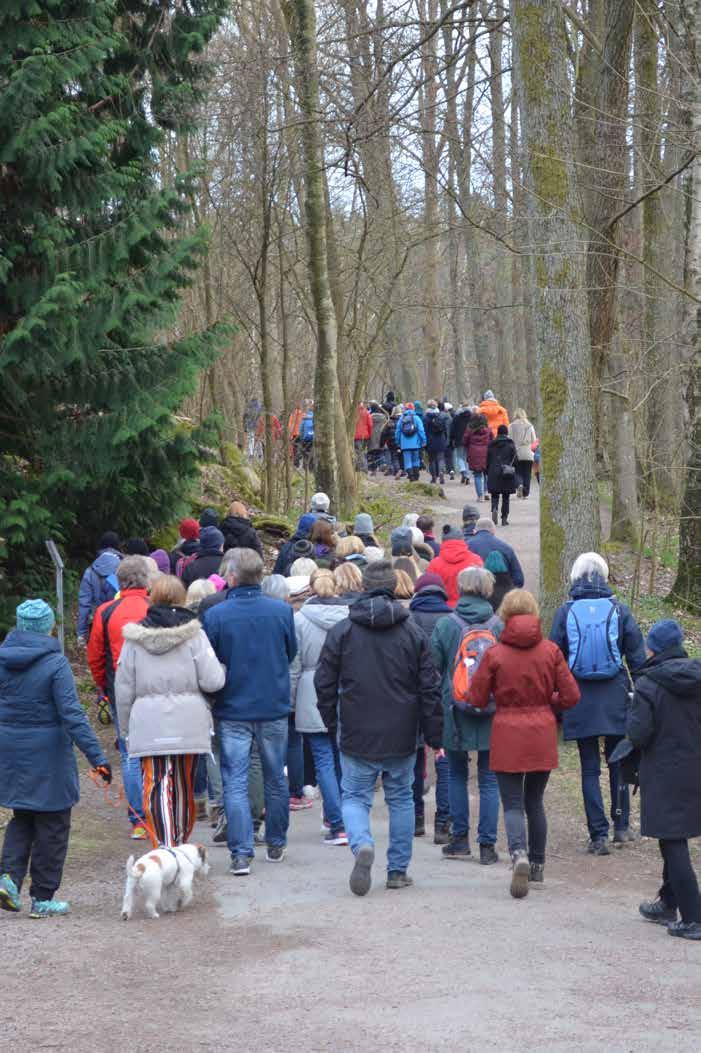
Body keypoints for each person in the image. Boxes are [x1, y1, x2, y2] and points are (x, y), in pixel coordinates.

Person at [315, 561, 443, 895]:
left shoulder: (343, 631)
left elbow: (324, 682)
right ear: (395, 586)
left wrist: (332, 723)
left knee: (355, 797)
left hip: (356, 730)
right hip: (402, 732)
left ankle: (362, 845)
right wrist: (433, 734)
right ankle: (398, 870)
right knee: (401, 798)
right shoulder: (412, 632)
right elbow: (429, 687)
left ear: (363, 586)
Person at [0, 600, 111, 918]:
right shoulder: (55, 663)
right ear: (48, 626)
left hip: (10, 748)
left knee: (22, 816)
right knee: (54, 823)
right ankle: (42, 897)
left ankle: (8, 878)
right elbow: (72, 714)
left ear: (20, 626)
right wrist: (97, 757)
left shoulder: (3, 658)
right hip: (48, 753)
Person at [469, 590, 580, 896]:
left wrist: (499, 698)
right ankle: (538, 867)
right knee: (535, 802)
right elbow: (571, 696)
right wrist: (548, 701)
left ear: (504, 615)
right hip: (542, 733)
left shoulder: (495, 653)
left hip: (507, 732)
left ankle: (519, 853)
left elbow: (476, 697)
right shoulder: (551, 651)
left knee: (513, 803)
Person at [203, 548, 297, 875]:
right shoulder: (281, 612)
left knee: (235, 781)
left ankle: (241, 853)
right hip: (272, 703)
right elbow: (289, 652)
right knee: (275, 776)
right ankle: (275, 841)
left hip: (233, 707)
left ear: (231, 576)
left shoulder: (216, 616)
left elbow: (210, 664)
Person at [115, 576, 225, 847]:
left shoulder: (133, 639)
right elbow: (213, 681)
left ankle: (164, 845)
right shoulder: (195, 635)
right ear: (181, 599)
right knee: (184, 784)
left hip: (148, 724)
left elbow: (123, 688)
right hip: (188, 722)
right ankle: (178, 840)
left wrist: (127, 727)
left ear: (152, 599)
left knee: (155, 783)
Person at [550, 552, 646, 855]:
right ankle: (621, 827)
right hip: (615, 693)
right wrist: (642, 691)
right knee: (619, 763)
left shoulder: (565, 612)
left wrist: (556, 699)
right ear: (604, 576)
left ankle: (598, 835)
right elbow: (637, 656)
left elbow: (555, 658)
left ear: (575, 577)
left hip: (579, 696)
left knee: (589, 768)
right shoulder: (619, 609)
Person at [628, 620, 701, 940]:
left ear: (654, 648)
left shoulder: (648, 684)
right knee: (674, 836)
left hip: (664, 769)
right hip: (695, 766)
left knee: (673, 840)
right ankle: (669, 901)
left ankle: (694, 916)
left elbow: (638, 734)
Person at [431, 566, 501, 864]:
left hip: (455, 709)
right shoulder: (499, 626)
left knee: (457, 774)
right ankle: (487, 846)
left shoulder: (446, 625)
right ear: (488, 590)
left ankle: (460, 839)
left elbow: (434, 665)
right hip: (492, 709)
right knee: (489, 779)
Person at [87, 555, 152, 838]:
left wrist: (104, 687)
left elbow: (95, 656)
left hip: (120, 690)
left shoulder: (105, 611)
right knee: (156, 750)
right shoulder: (155, 608)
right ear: (146, 579)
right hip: (154, 688)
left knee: (129, 753)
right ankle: (159, 812)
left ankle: (138, 819)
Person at [290, 570, 350, 845]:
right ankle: (342, 817)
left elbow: (294, 665)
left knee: (323, 757)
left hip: (310, 688)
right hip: (344, 688)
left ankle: (336, 822)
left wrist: (290, 700)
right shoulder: (351, 618)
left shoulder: (300, 620)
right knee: (341, 758)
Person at [408, 572, 453, 844]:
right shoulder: (451, 621)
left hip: (413, 699)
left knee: (415, 759)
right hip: (444, 699)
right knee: (443, 759)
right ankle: (443, 823)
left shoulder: (409, 622)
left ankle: (416, 819)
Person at [76, 531, 122, 644]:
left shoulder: (90, 572)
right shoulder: (126, 569)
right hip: (121, 624)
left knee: (97, 659)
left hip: (97, 624)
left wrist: (81, 633)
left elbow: (84, 604)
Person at [426, 528, 483, 607]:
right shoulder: (476, 560)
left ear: (443, 541)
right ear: (462, 539)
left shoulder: (434, 564)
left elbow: (429, 591)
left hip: (443, 610)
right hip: (470, 608)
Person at [467, 516, 525, 587]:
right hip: (500, 591)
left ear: (475, 531)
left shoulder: (466, 546)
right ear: (493, 531)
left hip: (474, 591)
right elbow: (519, 580)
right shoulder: (506, 548)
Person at [487, 424, 518, 526]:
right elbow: (516, 460)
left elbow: (487, 460)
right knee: (506, 497)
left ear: (498, 432)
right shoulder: (511, 444)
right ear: (506, 433)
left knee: (495, 495)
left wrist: (487, 471)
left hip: (493, 472)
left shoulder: (491, 444)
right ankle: (504, 518)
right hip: (506, 473)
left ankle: (494, 508)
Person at [509, 409, 537, 499]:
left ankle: (519, 485)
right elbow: (534, 440)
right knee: (527, 474)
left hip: (516, 453)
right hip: (528, 453)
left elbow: (509, 440)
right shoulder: (530, 426)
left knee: (517, 472)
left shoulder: (511, 426)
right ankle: (525, 493)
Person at [395, 401, 426, 482]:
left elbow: (398, 431)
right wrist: (423, 440)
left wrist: (397, 441)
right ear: (413, 409)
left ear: (405, 409)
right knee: (416, 460)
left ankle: (411, 476)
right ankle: (416, 476)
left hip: (405, 444)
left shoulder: (402, 418)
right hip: (416, 444)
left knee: (407, 461)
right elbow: (421, 431)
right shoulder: (416, 418)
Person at [463, 413, 491, 500]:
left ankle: (480, 496)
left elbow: (464, 441)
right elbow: (492, 440)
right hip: (486, 453)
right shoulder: (488, 430)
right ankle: (486, 492)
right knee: (486, 474)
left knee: (477, 475)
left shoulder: (469, 430)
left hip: (474, 453)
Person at [424, 399, 450, 485]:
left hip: (430, 440)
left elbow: (425, 431)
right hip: (440, 440)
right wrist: (446, 439)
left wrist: (424, 442)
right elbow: (445, 429)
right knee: (440, 458)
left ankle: (434, 477)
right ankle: (441, 473)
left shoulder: (426, 417)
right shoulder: (441, 415)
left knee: (432, 460)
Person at [450, 404, 473, 484]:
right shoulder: (472, 417)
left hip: (459, 440)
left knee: (459, 457)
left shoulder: (456, 417)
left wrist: (452, 438)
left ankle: (463, 471)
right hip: (469, 440)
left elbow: (452, 429)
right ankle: (467, 475)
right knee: (467, 458)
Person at [380, 407, 403, 477]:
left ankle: (397, 470)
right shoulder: (403, 420)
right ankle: (401, 470)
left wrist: (382, 444)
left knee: (394, 457)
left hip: (391, 442)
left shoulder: (389, 422)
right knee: (401, 457)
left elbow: (383, 433)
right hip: (402, 442)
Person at [367, 403, 389, 475]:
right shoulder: (384, 417)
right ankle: (382, 464)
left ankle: (374, 469)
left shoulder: (370, 417)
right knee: (381, 452)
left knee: (373, 454)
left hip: (372, 437)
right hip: (382, 437)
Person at [354, 402, 373, 472]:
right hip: (365, 436)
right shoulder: (366, 412)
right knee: (362, 452)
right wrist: (369, 434)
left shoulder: (353, 413)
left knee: (358, 452)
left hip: (356, 436)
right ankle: (362, 468)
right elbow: (370, 425)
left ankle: (362, 469)